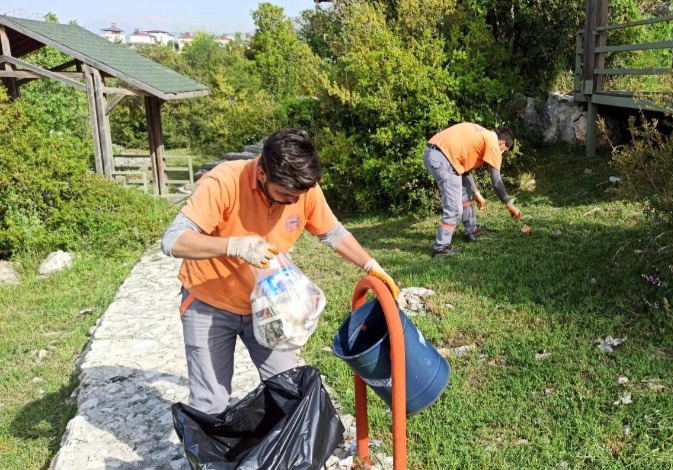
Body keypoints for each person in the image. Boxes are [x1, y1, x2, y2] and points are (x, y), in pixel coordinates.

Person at [161, 128, 399, 414]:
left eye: (299, 195)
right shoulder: (223, 182)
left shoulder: (302, 190)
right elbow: (173, 240)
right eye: (285, 194)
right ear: (262, 174)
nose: (294, 202)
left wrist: (370, 265)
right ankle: (214, 457)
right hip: (210, 303)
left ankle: (285, 456)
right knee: (210, 401)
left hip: (269, 306)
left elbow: (332, 233)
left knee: (287, 389)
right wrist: (234, 245)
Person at [423, 122, 523, 257]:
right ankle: (440, 248)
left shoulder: (482, 135)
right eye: (504, 151)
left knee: (465, 194)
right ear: (502, 143)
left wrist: (476, 193)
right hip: (443, 159)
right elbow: (496, 181)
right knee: (454, 209)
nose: (502, 154)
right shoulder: (493, 143)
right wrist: (509, 204)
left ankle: (471, 230)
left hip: (438, 154)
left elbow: (465, 170)